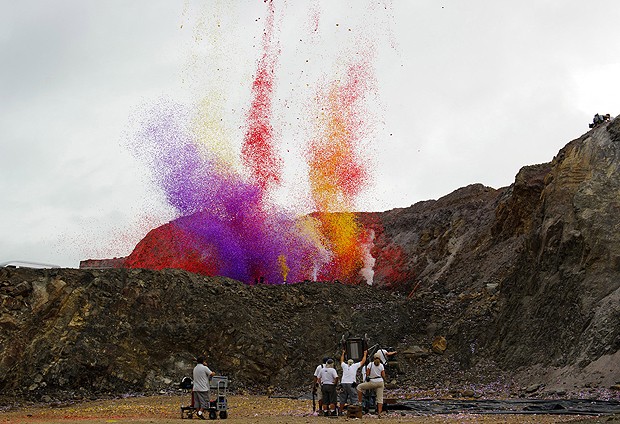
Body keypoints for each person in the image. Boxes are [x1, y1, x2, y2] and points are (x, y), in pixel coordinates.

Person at [356, 352, 386, 418]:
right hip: (380, 382)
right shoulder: (381, 365)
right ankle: (379, 413)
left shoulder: (370, 364)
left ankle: (360, 403)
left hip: (372, 382)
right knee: (380, 399)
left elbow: (367, 374)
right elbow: (383, 375)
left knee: (359, 387)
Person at [339, 348, 367, 412]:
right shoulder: (355, 366)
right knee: (354, 398)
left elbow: (341, 360)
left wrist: (343, 353)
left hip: (343, 383)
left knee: (342, 398)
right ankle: (355, 411)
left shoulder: (344, 366)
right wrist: (365, 354)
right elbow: (363, 361)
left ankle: (340, 411)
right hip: (351, 384)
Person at [193, 355, 215, 420]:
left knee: (197, 402)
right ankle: (199, 413)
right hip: (203, 388)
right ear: (203, 361)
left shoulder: (195, 368)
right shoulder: (204, 368)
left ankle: (199, 413)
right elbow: (211, 374)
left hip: (195, 388)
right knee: (205, 402)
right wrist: (213, 371)